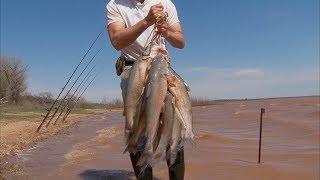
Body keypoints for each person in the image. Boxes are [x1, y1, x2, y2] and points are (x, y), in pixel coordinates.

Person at [106, 0, 185, 179]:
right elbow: (117, 41)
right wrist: (146, 21)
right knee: (135, 129)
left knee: (172, 126)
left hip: (161, 65)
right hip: (132, 68)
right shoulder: (114, 5)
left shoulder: (165, 3)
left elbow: (180, 41)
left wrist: (167, 31)